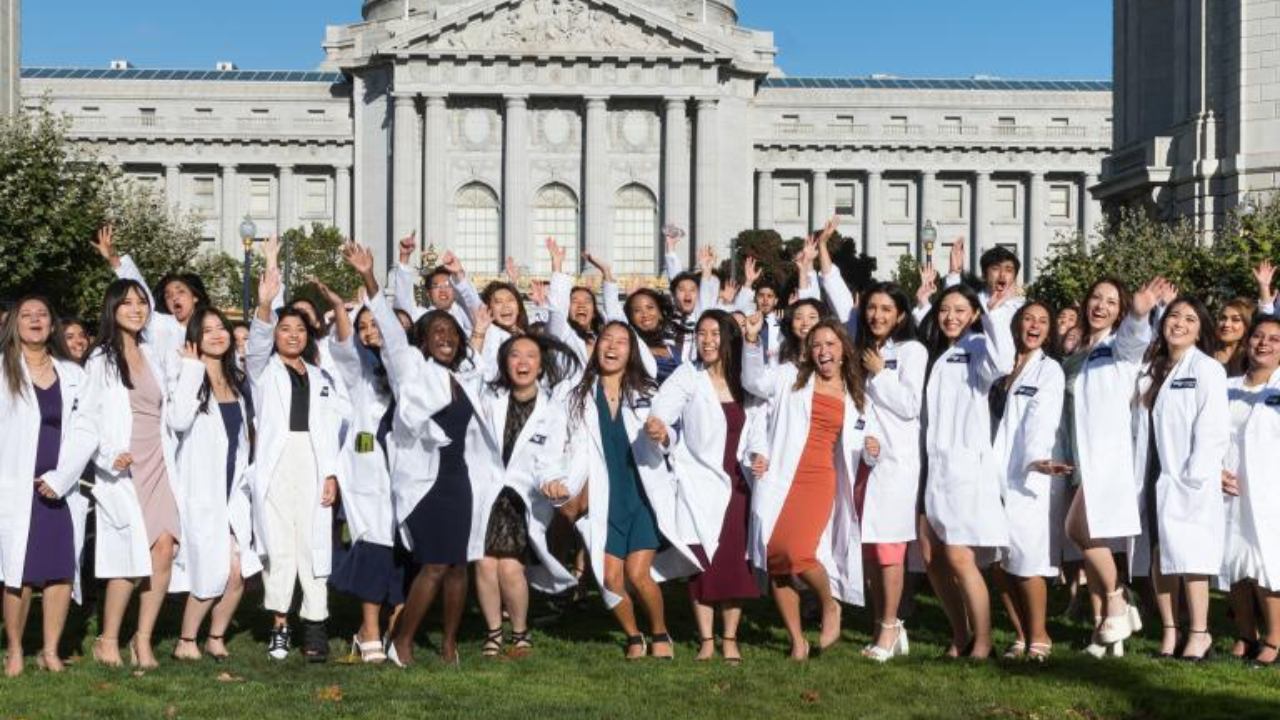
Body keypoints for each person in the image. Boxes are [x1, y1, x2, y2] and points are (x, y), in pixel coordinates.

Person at [350, 245, 505, 667]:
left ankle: (450, 646)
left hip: (462, 484)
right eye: (437, 333)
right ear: (423, 340)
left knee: (458, 566)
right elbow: (389, 327)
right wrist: (369, 278)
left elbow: (483, 334)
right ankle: (402, 641)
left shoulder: (467, 376)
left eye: (451, 335)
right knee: (435, 565)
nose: (445, 338)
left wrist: (468, 302)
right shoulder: (410, 370)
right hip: (425, 484)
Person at [57, 279, 184, 668]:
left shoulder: (152, 352)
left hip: (159, 459)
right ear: (112, 309)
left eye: (141, 302)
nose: (136, 308)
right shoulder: (100, 359)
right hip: (124, 465)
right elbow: (87, 419)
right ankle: (107, 638)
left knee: (165, 548)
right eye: (126, 303)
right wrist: (109, 456)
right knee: (127, 556)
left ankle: (142, 639)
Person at [564, 321, 700, 659]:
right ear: (596, 348)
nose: (612, 346)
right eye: (606, 340)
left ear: (632, 351)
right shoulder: (578, 395)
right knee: (611, 579)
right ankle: (633, 636)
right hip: (605, 501)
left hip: (641, 497)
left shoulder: (647, 392)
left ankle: (660, 632)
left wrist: (663, 434)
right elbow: (565, 444)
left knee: (638, 576)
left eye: (621, 341)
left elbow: (672, 434)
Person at [743, 318, 875, 661]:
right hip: (782, 474)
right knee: (776, 558)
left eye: (830, 344)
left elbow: (866, 441)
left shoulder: (857, 394)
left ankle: (830, 604)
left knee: (799, 552)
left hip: (819, 478)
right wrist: (753, 342)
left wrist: (873, 451)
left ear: (843, 351)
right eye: (817, 345)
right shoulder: (789, 377)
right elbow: (753, 381)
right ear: (808, 351)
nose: (823, 351)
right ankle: (797, 642)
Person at [646, 310, 767, 664]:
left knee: (732, 562)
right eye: (701, 333)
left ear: (728, 337)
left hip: (738, 484)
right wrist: (660, 431)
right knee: (702, 561)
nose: (707, 340)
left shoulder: (746, 379)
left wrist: (760, 453)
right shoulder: (688, 375)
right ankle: (707, 639)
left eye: (715, 333)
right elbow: (662, 412)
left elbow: (761, 420)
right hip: (699, 482)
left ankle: (730, 638)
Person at [1063, 277, 1168, 657]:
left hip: (1110, 457)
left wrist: (1140, 314)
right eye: (1095, 297)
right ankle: (1108, 629)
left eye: (1111, 301)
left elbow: (1134, 338)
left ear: (1120, 310)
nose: (1100, 305)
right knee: (1092, 539)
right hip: (1087, 455)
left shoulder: (1120, 346)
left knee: (1079, 529)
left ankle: (1118, 599)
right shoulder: (1088, 349)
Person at [246, 267, 344, 663]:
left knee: (315, 544)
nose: (292, 335)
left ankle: (316, 627)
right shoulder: (263, 371)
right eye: (285, 329)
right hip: (277, 463)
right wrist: (266, 302)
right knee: (280, 545)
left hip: (314, 463)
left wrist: (332, 473)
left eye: (300, 330)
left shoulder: (321, 376)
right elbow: (254, 344)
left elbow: (331, 425)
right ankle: (280, 625)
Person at [918, 283, 1016, 660]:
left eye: (961, 310)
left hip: (965, 471)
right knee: (934, 559)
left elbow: (1003, 361)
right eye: (945, 309)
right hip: (935, 469)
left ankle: (984, 640)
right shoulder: (941, 354)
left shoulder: (977, 347)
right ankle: (960, 635)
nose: (951, 317)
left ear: (974, 315)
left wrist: (992, 315)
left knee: (960, 557)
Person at [470, 330, 580, 658]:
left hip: (521, 496)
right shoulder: (489, 400)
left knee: (510, 567)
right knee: (484, 563)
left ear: (541, 365)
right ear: (505, 363)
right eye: (515, 355)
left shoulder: (554, 411)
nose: (523, 362)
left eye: (530, 356)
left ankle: (519, 633)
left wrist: (552, 483)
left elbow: (551, 461)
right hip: (485, 491)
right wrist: (477, 336)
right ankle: (493, 633)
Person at [1132, 295, 1230, 661]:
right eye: (1174, 316)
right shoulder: (1152, 368)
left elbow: (1213, 428)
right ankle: (1170, 633)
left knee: (1192, 558)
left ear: (1200, 329)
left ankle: (1200, 633)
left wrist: (1195, 476)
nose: (1179, 323)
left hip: (1188, 477)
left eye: (1190, 319)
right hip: (1155, 472)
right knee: (1160, 556)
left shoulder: (1207, 369)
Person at [315, 285, 404, 665]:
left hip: (409, 480)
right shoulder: (361, 374)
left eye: (378, 325)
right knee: (374, 546)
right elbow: (346, 351)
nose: (370, 332)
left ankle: (397, 630)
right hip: (369, 479)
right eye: (364, 325)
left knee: (405, 554)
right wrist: (339, 308)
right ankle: (368, 629)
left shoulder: (413, 373)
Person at [0, 297, 88, 676]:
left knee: (60, 569)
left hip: (60, 489)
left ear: (52, 325)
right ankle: (16, 649)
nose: (35, 320)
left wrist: (61, 478)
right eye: (26, 315)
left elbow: (88, 429)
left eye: (42, 314)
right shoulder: (3, 370)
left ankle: (51, 650)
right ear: (14, 325)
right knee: (16, 570)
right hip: (15, 486)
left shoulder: (73, 373)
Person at [167, 307, 261, 662]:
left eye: (222, 328)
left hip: (232, 491)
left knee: (239, 571)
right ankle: (185, 640)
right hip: (200, 492)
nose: (218, 335)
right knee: (211, 570)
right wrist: (192, 370)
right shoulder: (185, 376)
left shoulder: (236, 381)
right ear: (195, 339)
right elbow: (177, 421)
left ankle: (215, 636)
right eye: (207, 331)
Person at [988, 301, 1069, 661]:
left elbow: (1043, 415)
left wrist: (1035, 458)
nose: (1034, 325)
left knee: (1026, 557)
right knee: (996, 558)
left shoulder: (1049, 371)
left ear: (1049, 331)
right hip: (990, 472)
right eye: (1027, 319)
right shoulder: (1000, 367)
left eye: (1042, 321)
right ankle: (1020, 634)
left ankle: (1040, 635)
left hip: (1030, 473)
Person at [853, 283, 927, 661]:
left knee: (889, 549)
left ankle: (889, 626)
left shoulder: (912, 351)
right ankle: (885, 624)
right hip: (863, 461)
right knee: (869, 551)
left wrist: (881, 374)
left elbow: (910, 405)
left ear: (900, 315)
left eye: (886, 309)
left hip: (897, 464)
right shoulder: (865, 350)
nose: (876, 315)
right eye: (871, 308)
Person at [1221, 314, 1280, 666]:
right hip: (1229, 489)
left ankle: (1274, 638)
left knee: (1267, 562)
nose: (1264, 343)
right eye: (1258, 336)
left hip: (1270, 491)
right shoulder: (1226, 385)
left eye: (1274, 339)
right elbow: (1209, 435)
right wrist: (1213, 472)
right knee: (1234, 563)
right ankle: (1245, 634)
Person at [1214, 299, 1254, 377]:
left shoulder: (1251, 358)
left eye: (1235, 320)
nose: (1226, 324)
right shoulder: (1206, 354)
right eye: (1223, 318)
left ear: (1246, 326)